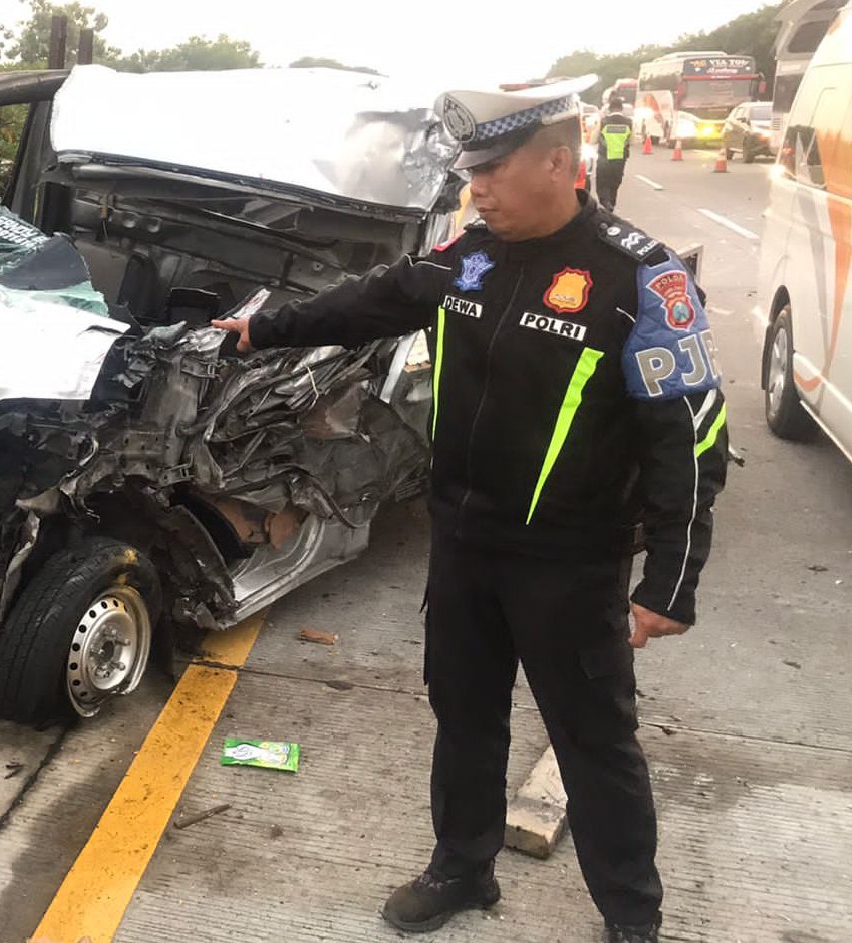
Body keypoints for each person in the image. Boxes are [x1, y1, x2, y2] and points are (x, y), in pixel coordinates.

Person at [212, 76, 727, 943]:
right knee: (464, 713)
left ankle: (633, 918)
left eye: (491, 168)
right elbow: (372, 300)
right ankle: (462, 867)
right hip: (462, 542)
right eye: (470, 171)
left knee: (595, 742)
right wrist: (266, 328)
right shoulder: (467, 254)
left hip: (570, 562)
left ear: (560, 162)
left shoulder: (641, 279)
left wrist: (670, 579)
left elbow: (690, 438)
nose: (474, 187)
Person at [597, 96, 634, 211]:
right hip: (620, 159)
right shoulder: (629, 123)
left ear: (610, 108)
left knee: (603, 183)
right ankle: (611, 203)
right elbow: (632, 141)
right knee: (614, 183)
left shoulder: (604, 122)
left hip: (604, 158)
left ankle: (606, 202)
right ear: (621, 108)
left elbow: (594, 138)